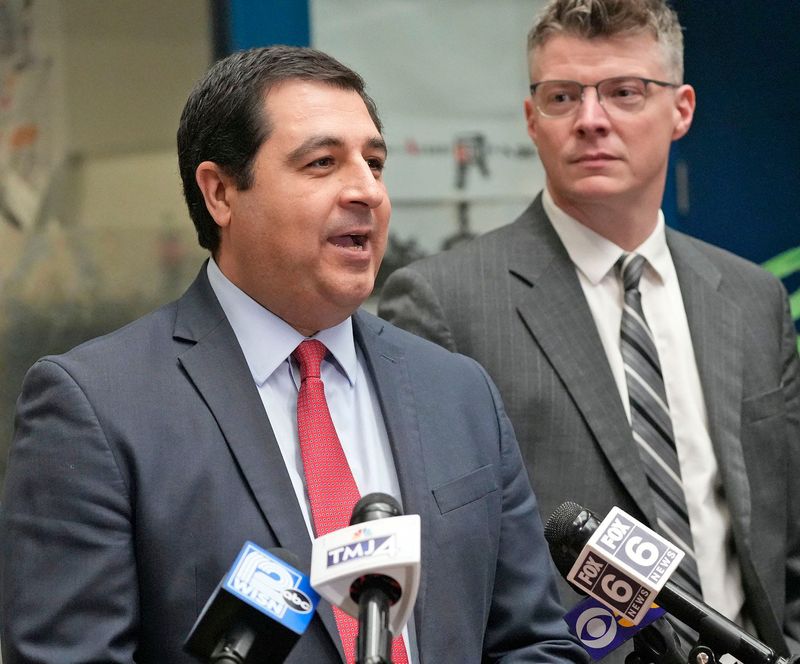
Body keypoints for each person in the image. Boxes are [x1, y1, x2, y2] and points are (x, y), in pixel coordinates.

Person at [0, 46, 587, 663]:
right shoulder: (97, 406)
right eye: (323, 163)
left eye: (376, 163)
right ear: (220, 192)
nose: (366, 190)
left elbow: (533, 642)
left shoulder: (458, 392)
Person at [379, 0, 800, 660]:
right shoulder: (443, 304)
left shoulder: (753, 299)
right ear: (531, 119)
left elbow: (788, 536)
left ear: (681, 109)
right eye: (562, 96)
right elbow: (441, 569)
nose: (591, 119)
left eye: (625, 93)